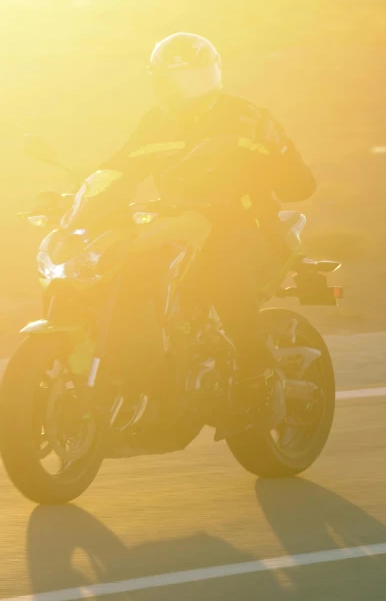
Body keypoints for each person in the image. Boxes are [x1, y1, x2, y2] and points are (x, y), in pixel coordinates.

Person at [100, 32, 316, 434]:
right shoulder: (156, 122)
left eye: (205, 75)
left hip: (246, 227)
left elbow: (300, 185)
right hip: (183, 228)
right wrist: (84, 194)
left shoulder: (247, 118)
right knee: (125, 269)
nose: (200, 88)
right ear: (161, 83)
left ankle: (259, 377)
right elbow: (120, 167)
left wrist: (273, 158)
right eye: (187, 80)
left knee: (225, 281)